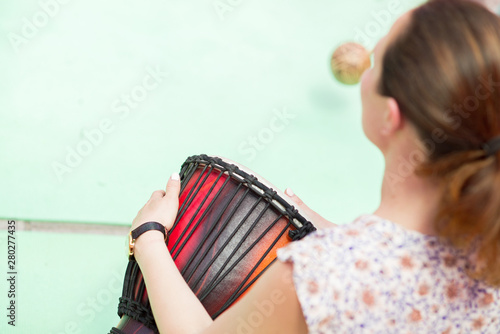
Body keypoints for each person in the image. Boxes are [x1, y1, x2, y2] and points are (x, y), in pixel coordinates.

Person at [128, 0, 500, 332]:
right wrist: (334, 237)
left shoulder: (320, 275)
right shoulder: (488, 257)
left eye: (378, 58)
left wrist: (148, 236)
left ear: (390, 117)